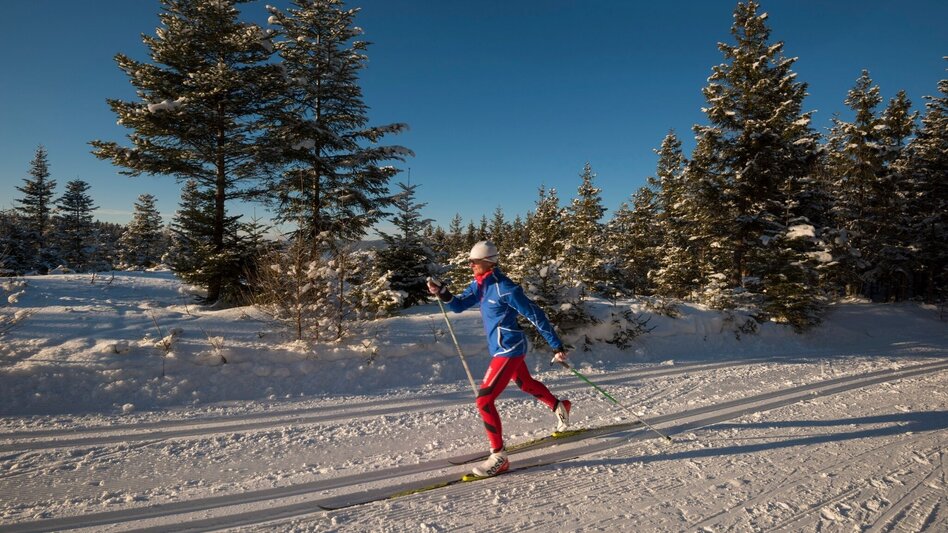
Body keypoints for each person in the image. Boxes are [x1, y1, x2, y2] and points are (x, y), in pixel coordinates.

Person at [427, 240, 571, 478]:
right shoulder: (481, 284)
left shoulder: (506, 288)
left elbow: (536, 316)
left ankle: (499, 457)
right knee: (524, 383)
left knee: (484, 401)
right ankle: (559, 406)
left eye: (474, 262)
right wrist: (443, 293)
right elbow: (459, 306)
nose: (470, 265)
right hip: (500, 348)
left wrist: (556, 345)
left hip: (509, 349)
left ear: (487, 263)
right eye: (470, 262)